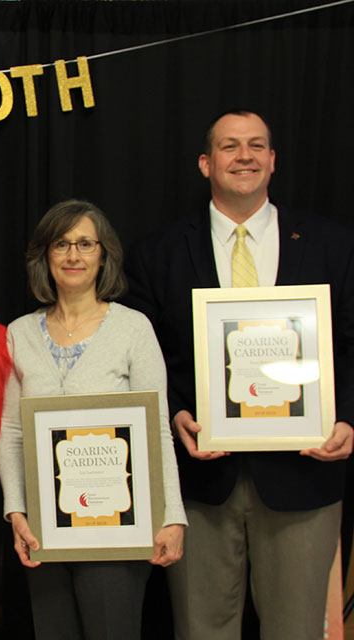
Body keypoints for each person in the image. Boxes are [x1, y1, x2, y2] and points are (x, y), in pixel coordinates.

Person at [123, 109, 354, 639]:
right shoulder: (158, 253)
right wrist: (176, 412)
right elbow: (144, 357)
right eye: (229, 146)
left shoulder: (331, 245)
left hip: (304, 475)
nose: (243, 156)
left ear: (273, 161)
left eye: (256, 145)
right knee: (201, 629)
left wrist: (349, 420)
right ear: (206, 163)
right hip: (201, 481)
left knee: (296, 630)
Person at [0, 200, 186, 640]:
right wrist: (17, 512)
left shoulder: (133, 328)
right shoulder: (18, 333)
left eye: (85, 243)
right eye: (61, 244)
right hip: (45, 529)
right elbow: (11, 432)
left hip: (119, 528)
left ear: (104, 254)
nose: (73, 255)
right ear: (45, 255)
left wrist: (172, 516)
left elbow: (157, 428)